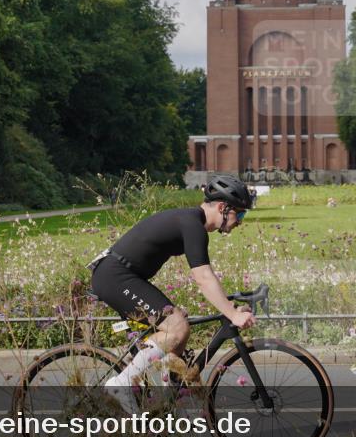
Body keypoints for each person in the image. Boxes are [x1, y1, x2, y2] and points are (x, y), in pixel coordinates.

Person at [88, 174, 256, 407]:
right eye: (240, 213)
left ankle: (163, 404)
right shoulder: (192, 225)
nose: (240, 221)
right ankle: (120, 384)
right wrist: (233, 314)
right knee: (176, 327)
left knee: (179, 330)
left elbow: (206, 277)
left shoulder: (191, 223)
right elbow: (204, 278)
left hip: (123, 276)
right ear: (222, 207)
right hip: (115, 276)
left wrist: (230, 304)